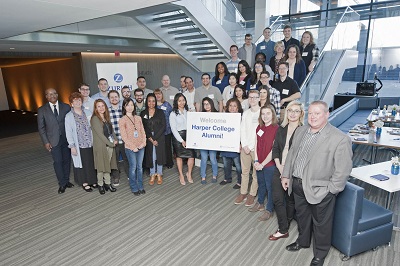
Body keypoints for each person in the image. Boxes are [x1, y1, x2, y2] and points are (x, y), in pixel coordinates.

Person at [282, 100, 353, 266]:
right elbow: (292, 154)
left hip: (321, 190)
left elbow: (342, 170)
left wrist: (332, 190)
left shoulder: (339, 139)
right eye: (311, 113)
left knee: (322, 224)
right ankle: (303, 241)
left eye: (317, 113)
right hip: (298, 185)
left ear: (327, 114)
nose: (313, 117)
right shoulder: (300, 131)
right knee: (302, 218)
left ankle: (320, 254)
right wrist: (286, 176)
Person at [268, 100, 304, 241]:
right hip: (279, 167)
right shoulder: (281, 128)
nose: (293, 113)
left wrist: (288, 171)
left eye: (296, 111)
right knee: (277, 198)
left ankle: (287, 220)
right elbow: (276, 148)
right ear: (286, 112)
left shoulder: (304, 131)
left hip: (294, 170)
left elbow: (302, 154)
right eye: (290, 110)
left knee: (290, 199)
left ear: (301, 114)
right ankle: (283, 229)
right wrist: (279, 165)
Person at [37, 88, 72, 194]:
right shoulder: (42, 110)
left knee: (67, 161)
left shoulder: (66, 106)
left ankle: (66, 181)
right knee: (58, 162)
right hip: (53, 140)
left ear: (57, 94)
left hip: (67, 139)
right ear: (46, 96)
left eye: (54, 93)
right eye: (49, 94)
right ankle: (61, 184)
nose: (52, 95)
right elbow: (41, 128)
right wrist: (46, 142)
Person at [249, 105, 279, 222]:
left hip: (270, 164)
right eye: (263, 114)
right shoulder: (259, 128)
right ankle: (260, 203)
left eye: (268, 113)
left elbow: (274, 150)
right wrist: (256, 161)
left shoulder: (277, 128)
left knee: (270, 187)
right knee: (261, 184)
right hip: (259, 163)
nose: (265, 116)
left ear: (273, 114)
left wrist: (263, 164)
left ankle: (269, 210)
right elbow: (256, 144)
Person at [65, 92, 97, 192]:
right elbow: (68, 132)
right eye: (75, 101)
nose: (78, 102)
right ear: (71, 103)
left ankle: (92, 180)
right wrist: (72, 146)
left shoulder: (87, 113)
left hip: (90, 143)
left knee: (91, 162)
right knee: (81, 163)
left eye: (79, 100)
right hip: (79, 145)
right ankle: (84, 182)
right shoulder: (69, 116)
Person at [234, 90, 260, 206]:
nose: (252, 99)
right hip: (245, 148)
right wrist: (244, 144)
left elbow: (260, 133)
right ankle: (243, 192)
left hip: (257, 148)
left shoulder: (263, 113)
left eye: (255, 97)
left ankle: (252, 194)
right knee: (244, 172)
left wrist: (251, 146)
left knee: (255, 174)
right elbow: (242, 129)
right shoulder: (246, 113)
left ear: (259, 98)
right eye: (250, 97)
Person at [119, 98, 146, 196]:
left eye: (131, 105)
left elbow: (142, 131)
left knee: (140, 167)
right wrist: (133, 146)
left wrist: (143, 142)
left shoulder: (138, 118)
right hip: (130, 148)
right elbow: (124, 137)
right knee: (133, 167)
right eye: (127, 105)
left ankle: (140, 186)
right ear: (124, 107)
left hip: (141, 146)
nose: (130, 107)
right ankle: (134, 187)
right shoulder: (122, 120)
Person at [91, 99, 118, 194]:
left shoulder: (106, 117)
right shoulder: (95, 119)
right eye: (99, 106)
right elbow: (101, 135)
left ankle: (107, 183)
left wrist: (115, 139)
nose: (101, 108)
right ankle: (100, 184)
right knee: (101, 167)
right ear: (95, 108)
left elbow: (111, 131)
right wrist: (111, 144)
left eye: (103, 106)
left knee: (107, 165)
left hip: (109, 145)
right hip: (101, 146)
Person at [169, 93, 196, 185]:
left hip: (189, 135)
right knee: (179, 156)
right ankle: (181, 175)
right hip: (178, 137)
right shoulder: (173, 114)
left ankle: (189, 173)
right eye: (179, 101)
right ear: (176, 102)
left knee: (191, 156)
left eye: (183, 100)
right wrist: (181, 141)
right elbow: (173, 129)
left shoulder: (188, 111)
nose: (181, 102)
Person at [141, 93, 166, 186]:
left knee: (159, 155)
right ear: (146, 102)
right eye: (149, 101)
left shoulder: (160, 112)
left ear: (156, 102)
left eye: (153, 101)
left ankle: (159, 174)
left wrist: (155, 138)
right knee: (152, 156)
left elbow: (163, 126)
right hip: (148, 138)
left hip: (159, 137)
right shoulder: (143, 113)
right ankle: (152, 174)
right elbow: (143, 128)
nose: (151, 103)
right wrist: (151, 139)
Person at [220, 98, 242, 189]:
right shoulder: (223, 118)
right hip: (225, 144)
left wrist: (241, 143)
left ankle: (240, 181)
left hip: (236, 145)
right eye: (230, 106)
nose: (232, 108)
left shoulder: (240, 118)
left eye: (234, 106)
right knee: (226, 163)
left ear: (237, 108)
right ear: (227, 107)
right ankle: (227, 178)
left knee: (238, 165)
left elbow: (242, 132)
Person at [108, 90, 129, 186]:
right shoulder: (107, 111)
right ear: (109, 99)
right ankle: (116, 177)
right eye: (111, 97)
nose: (114, 98)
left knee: (127, 159)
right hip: (114, 141)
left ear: (119, 97)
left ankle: (130, 175)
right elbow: (107, 128)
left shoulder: (124, 110)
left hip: (125, 140)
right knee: (114, 160)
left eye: (116, 96)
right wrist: (112, 140)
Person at [199, 97, 219, 184]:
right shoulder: (200, 116)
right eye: (204, 104)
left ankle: (215, 175)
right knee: (203, 159)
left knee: (213, 158)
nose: (206, 106)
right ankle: (203, 176)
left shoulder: (217, 115)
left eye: (208, 104)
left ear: (211, 103)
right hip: (203, 141)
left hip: (213, 141)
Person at [154, 88, 174, 169]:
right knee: (159, 148)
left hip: (167, 130)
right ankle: (160, 163)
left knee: (168, 147)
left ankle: (169, 163)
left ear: (162, 95)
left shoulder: (167, 104)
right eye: (156, 94)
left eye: (159, 94)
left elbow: (172, 116)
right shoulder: (153, 106)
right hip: (157, 131)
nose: (158, 95)